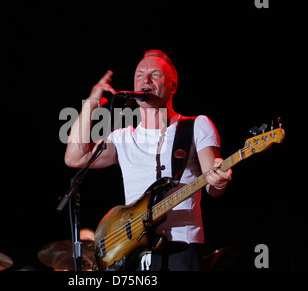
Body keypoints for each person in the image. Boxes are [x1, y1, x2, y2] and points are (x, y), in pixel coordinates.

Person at [64, 50, 232, 271]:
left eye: (155, 74)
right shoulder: (122, 137)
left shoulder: (196, 126)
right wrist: (92, 102)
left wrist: (219, 181)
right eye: (140, 75)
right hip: (132, 254)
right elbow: (75, 157)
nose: (146, 80)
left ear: (173, 85)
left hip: (180, 248)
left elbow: (213, 185)